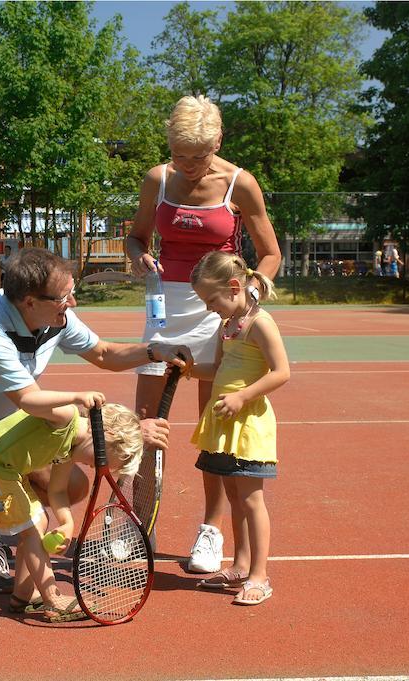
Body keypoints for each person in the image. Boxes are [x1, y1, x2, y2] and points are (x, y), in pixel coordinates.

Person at [0, 247, 191, 593]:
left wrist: (155, 350)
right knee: (7, 472)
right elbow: (29, 401)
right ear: (30, 302)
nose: (72, 303)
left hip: (1, 420)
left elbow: (103, 353)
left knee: (72, 486)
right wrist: (127, 429)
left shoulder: (54, 318)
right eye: (64, 297)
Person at [124, 94, 281, 574]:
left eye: (198, 155)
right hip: (164, 310)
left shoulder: (241, 183)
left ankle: (210, 532)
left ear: (218, 142)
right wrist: (137, 256)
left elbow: (270, 253)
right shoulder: (158, 179)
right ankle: (138, 525)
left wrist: (248, 296)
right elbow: (136, 236)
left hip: (219, 316)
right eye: (179, 154)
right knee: (147, 422)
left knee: (215, 429)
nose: (189, 166)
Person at [0, 392, 143, 621]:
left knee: (40, 521)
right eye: (99, 459)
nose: (92, 465)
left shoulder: (66, 451)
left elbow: (57, 491)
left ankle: (23, 596)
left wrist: (67, 522)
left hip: (7, 473)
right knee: (34, 528)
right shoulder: (66, 416)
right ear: (108, 434)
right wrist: (76, 396)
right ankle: (53, 598)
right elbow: (28, 401)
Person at [186, 252, 289, 605]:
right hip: (226, 424)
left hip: (249, 424)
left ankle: (260, 575)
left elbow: (281, 372)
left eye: (211, 300)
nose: (209, 307)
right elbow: (216, 369)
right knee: (233, 496)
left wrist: (242, 397)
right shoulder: (227, 324)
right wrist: (186, 367)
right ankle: (241, 564)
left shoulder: (260, 322)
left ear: (233, 287)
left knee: (250, 499)